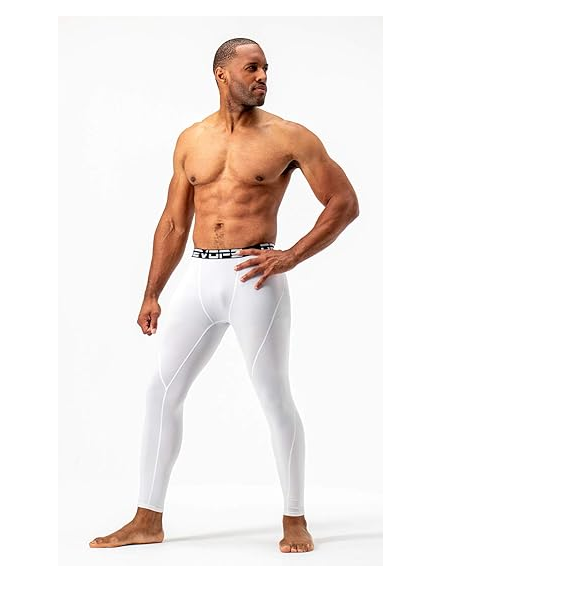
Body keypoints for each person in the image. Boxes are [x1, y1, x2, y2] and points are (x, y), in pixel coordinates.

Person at [89, 37, 358, 553]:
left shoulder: (289, 136)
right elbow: (173, 222)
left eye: (266, 68)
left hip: (255, 278)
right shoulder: (192, 139)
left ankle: (295, 519)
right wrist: (152, 292)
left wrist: (291, 256)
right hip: (199, 275)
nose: (262, 77)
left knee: (273, 396)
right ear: (221, 74)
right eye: (252, 68)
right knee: (160, 391)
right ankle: (147, 519)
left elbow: (344, 202)